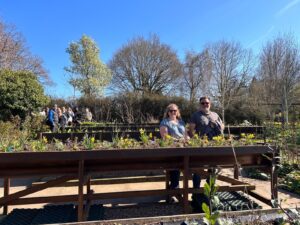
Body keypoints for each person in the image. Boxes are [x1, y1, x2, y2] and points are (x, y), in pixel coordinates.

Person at [188, 96, 224, 210]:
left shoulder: (215, 114)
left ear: (210, 104)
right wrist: (196, 141)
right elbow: (190, 130)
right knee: (198, 170)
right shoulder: (196, 115)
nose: (205, 105)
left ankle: (210, 193)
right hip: (200, 147)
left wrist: (220, 127)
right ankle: (196, 193)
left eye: (207, 103)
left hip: (214, 146)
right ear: (200, 104)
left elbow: (222, 127)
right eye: (203, 103)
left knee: (213, 170)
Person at [160, 103, 187, 192]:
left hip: (184, 148)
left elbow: (186, 135)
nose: (173, 112)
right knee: (175, 164)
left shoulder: (181, 122)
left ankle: (195, 190)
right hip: (172, 148)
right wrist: (178, 141)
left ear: (177, 112)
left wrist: (189, 139)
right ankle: (174, 189)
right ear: (168, 112)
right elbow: (165, 137)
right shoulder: (164, 122)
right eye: (171, 111)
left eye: (175, 110)